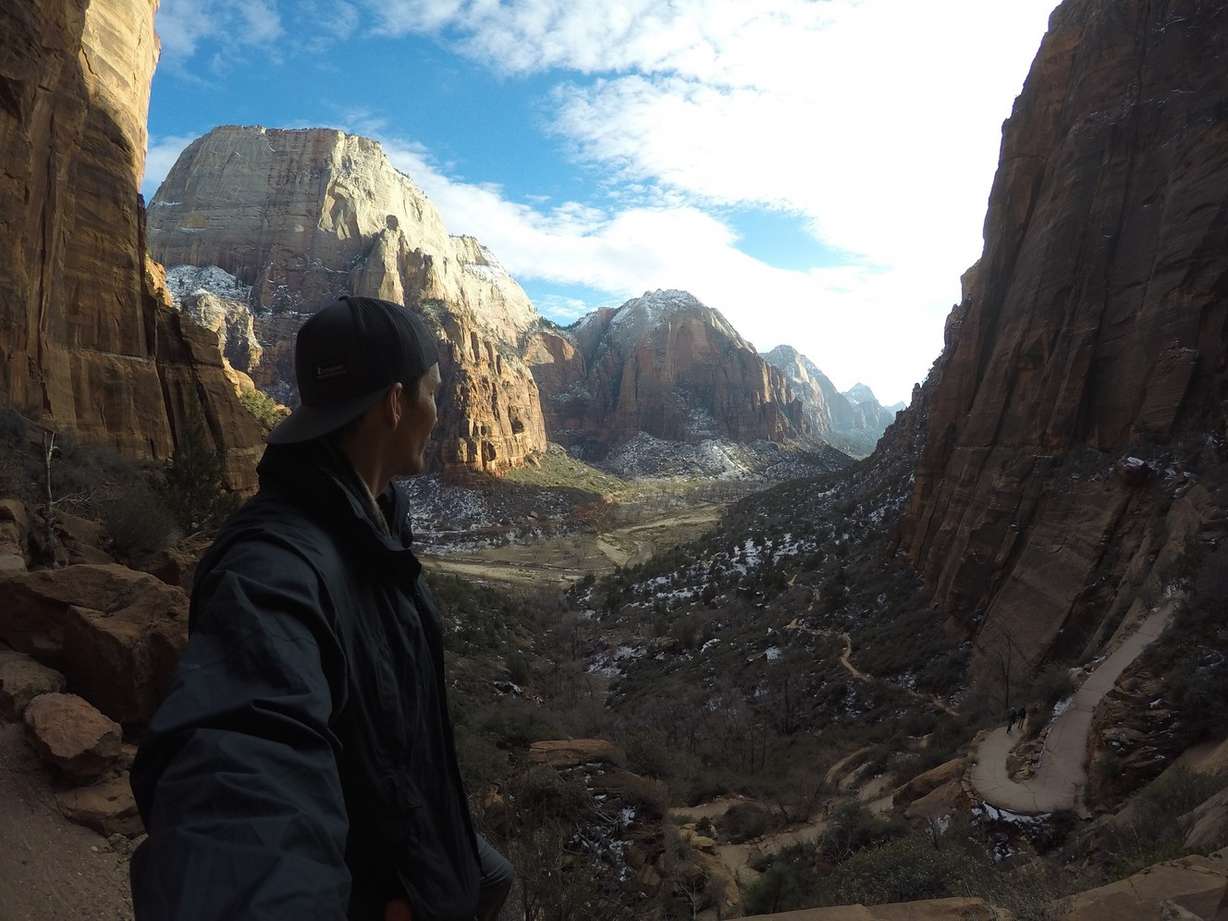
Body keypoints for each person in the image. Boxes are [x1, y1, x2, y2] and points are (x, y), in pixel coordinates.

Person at [129, 296, 514, 921]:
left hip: (403, 831)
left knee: (492, 875)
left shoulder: (373, 526)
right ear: (395, 404)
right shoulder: (272, 565)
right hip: (370, 876)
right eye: (433, 393)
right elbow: (243, 767)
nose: (439, 413)